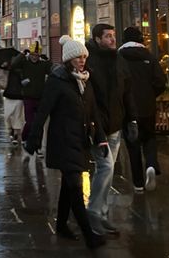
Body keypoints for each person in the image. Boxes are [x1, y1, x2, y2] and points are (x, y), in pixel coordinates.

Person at [25, 36, 107, 250]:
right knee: (75, 187)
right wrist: (33, 138)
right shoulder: (57, 81)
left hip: (80, 140)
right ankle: (90, 236)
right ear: (69, 59)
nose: (82, 60)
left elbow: (93, 111)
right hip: (62, 140)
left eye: (84, 57)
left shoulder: (85, 81)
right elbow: (43, 111)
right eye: (78, 57)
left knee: (68, 186)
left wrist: (101, 139)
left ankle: (61, 225)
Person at [85, 23, 137, 236]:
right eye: (108, 36)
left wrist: (132, 119)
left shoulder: (119, 60)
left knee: (108, 169)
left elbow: (127, 92)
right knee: (105, 168)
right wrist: (95, 127)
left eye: (113, 36)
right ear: (97, 39)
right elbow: (89, 99)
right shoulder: (89, 61)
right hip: (98, 126)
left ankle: (102, 212)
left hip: (116, 124)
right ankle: (94, 213)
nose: (112, 39)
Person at [118, 27, 166, 192]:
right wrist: (150, 95)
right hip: (147, 107)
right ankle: (151, 165)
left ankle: (138, 184)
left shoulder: (119, 58)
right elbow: (160, 82)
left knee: (133, 144)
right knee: (149, 138)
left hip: (128, 109)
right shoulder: (150, 57)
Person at [18, 41, 53, 148]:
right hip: (28, 97)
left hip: (40, 98)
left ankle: (37, 145)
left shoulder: (43, 65)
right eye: (33, 55)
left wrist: (47, 60)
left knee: (39, 123)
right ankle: (24, 137)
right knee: (29, 122)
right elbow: (14, 64)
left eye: (37, 55)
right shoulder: (25, 63)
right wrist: (22, 54)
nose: (34, 57)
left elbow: (51, 70)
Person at [2, 55, 25, 146]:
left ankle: (15, 134)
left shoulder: (22, 71)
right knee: (7, 115)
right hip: (9, 96)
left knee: (17, 116)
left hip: (19, 96)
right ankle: (11, 129)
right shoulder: (8, 70)